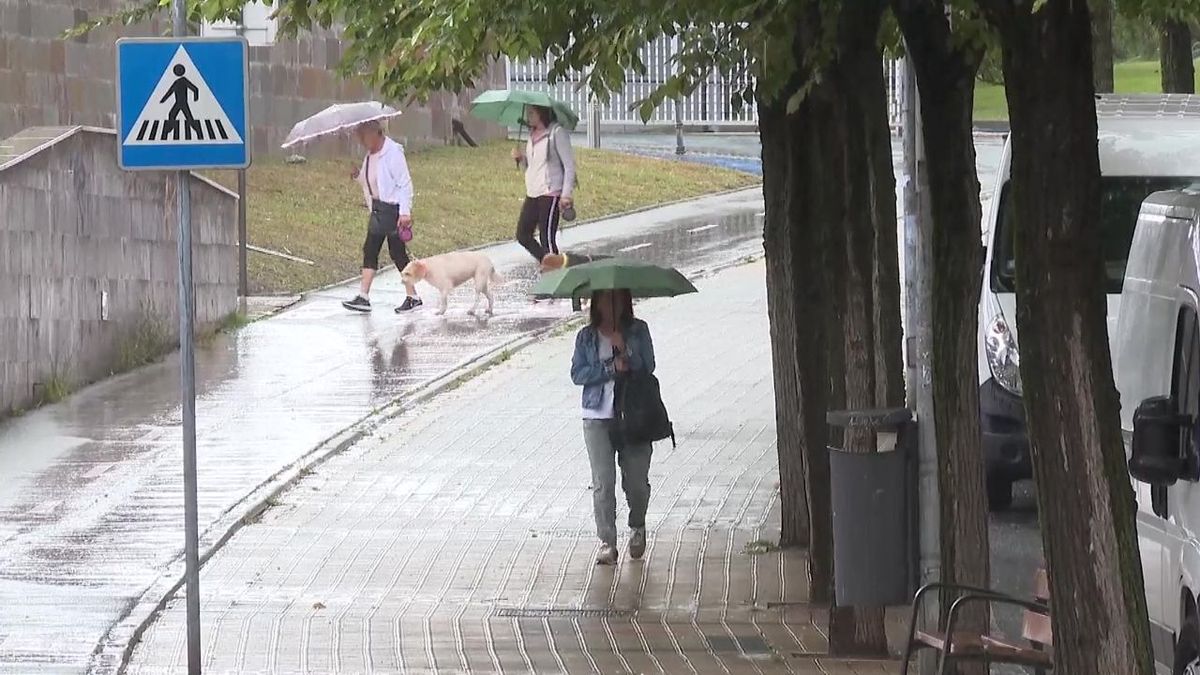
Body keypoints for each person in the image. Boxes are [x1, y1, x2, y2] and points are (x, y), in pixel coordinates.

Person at [570, 289, 655, 565]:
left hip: (633, 415)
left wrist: (626, 350)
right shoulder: (586, 336)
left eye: (617, 299)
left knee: (636, 482)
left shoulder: (638, 330)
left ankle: (638, 526)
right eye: (606, 299)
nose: (611, 305)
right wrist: (609, 368)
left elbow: (649, 366)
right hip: (597, 414)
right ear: (597, 303)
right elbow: (578, 373)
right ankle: (607, 540)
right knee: (603, 482)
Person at [342, 120, 422, 313]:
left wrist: (405, 212)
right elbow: (371, 183)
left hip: (392, 210)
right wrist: (357, 175)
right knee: (370, 249)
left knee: (397, 253)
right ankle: (363, 296)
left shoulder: (393, 152)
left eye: (364, 135)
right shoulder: (370, 156)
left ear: (376, 133)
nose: (361, 140)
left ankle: (413, 296)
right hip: (378, 210)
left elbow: (404, 184)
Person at [511, 105, 576, 263]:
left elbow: (569, 165)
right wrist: (521, 159)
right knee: (523, 235)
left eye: (532, 113)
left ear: (542, 113)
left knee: (546, 238)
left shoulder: (556, 133)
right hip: (533, 191)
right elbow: (533, 165)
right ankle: (549, 263)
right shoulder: (532, 135)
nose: (529, 117)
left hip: (551, 191)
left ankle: (555, 273)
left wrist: (565, 194)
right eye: (528, 113)